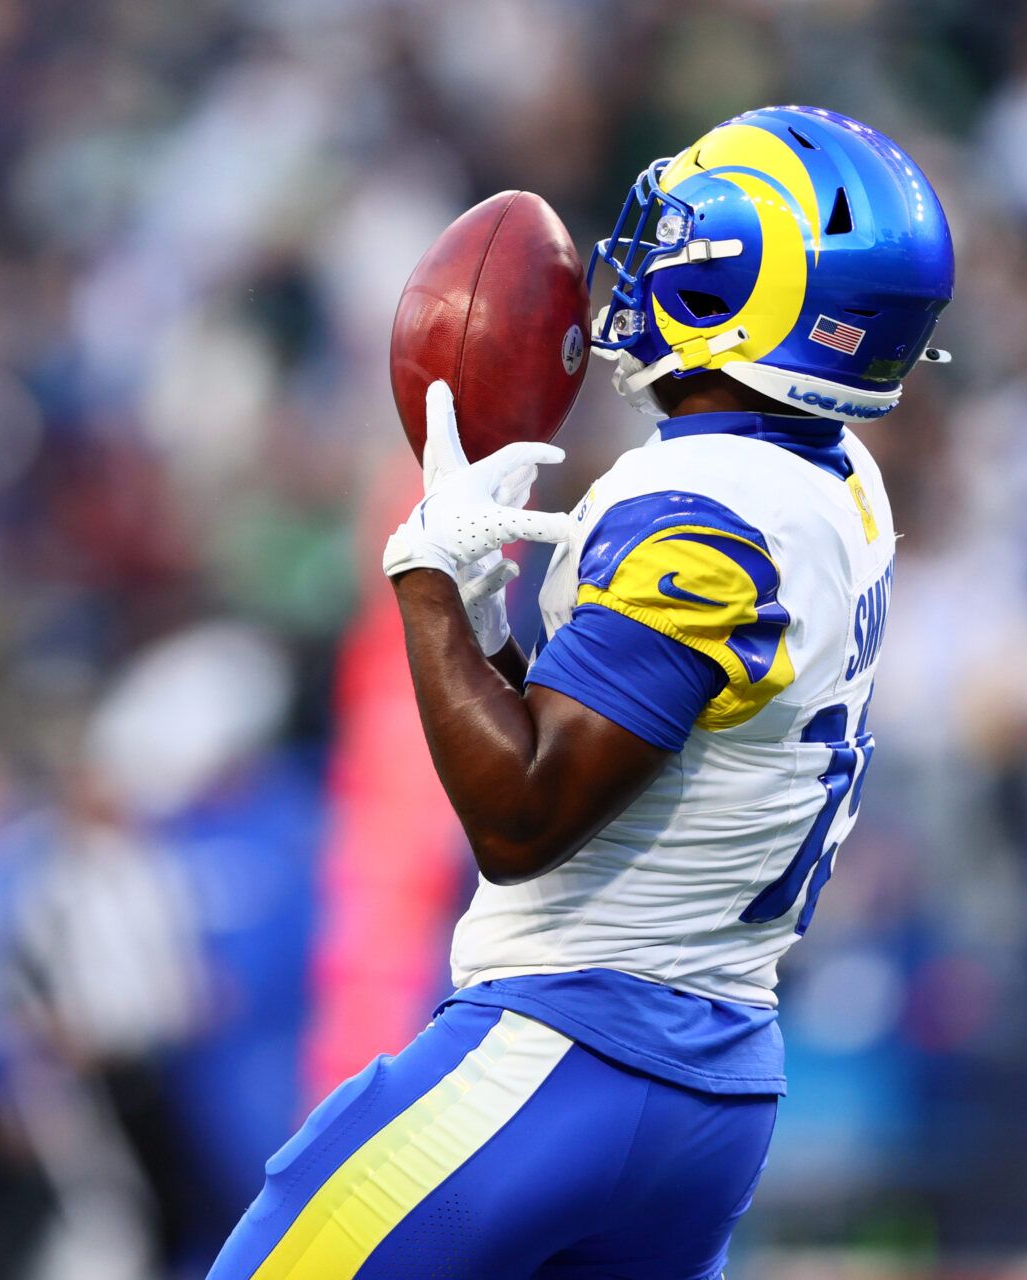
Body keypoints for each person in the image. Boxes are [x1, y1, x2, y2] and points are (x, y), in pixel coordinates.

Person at [208, 105, 954, 1278]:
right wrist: (496, 622)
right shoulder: (833, 480)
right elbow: (621, 729)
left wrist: (424, 584)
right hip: (714, 1077)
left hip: (572, 1056)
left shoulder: (704, 506)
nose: (647, 258)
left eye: (684, 234)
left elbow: (524, 815)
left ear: (750, 286)